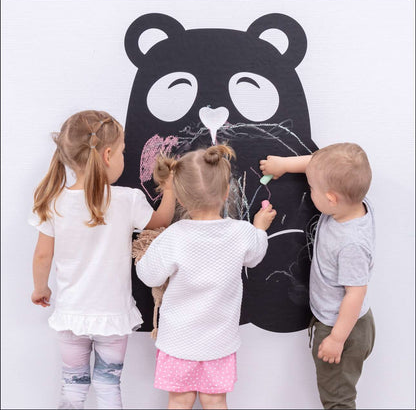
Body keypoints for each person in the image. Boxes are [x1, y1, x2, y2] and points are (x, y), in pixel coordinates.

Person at [29, 110, 176, 409]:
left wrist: (40, 288)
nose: (124, 157)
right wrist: (170, 189)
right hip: (112, 315)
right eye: (122, 152)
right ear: (107, 155)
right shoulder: (127, 199)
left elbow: (43, 255)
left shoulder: (54, 201)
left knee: (72, 386)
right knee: (109, 386)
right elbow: (160, 222)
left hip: (72, 315)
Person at [136, 144, 276, 410]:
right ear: (226, 192)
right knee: (215, 401)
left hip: (178, 342)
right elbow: (255, 255)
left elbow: (149, 276)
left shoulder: (174, 236)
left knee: (179, 401)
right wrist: (259, 227)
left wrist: (145, 251)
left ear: (180, 198)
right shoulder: (241, 232)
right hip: (219, 343)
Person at [260, 143, 376, 409]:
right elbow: (320, 164)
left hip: (343, 328)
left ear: (331, 198)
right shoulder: (354, 201)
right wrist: (285, 165)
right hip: (343, 323)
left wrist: (336, 338)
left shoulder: (351, 244)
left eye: (312, 188)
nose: (309, 190)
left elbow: (355, 293)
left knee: (338, 400)